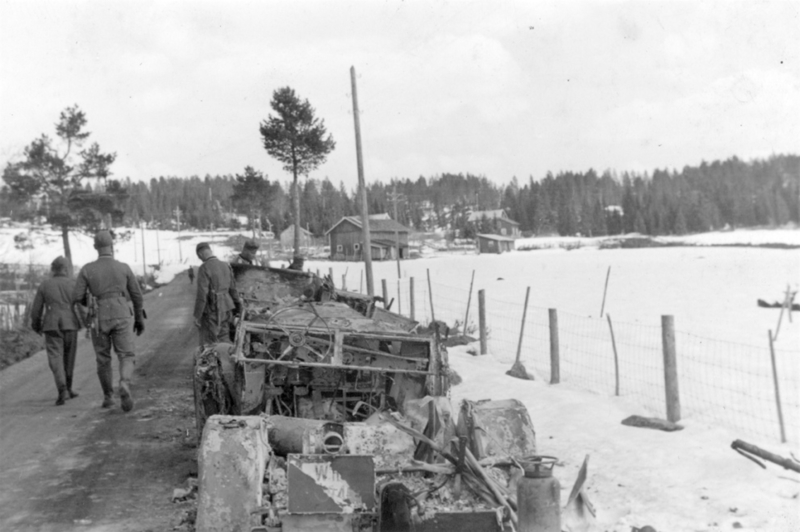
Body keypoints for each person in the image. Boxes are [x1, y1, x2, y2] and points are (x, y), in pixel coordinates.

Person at [72, 230, 145, 412]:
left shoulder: (87, 269)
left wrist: (89, 306)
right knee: (126, 355)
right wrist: (138, 319)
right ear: (112, 247)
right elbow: (137, 295)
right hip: (121, 311)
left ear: (96, 248)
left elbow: (77, 296)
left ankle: (108, 397)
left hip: (99, 314)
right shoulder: (124, 267)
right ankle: (124, 382)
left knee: (103, 359)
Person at [30, 256, 82, 405]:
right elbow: (81, 306)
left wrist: (36, 325)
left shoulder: (45, 285)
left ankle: (62, 389)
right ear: (65, 269)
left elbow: (36, 310)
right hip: (70, 324)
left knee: (55, 358)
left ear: (53, 269)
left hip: (51, 325)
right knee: (69, 358)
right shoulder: (73, 283)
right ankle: (69, 388)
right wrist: (86, 323)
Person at [194, 242, 241, 346]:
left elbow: (202, 295)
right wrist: (238, 306)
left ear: (200, 254)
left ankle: (215, 361)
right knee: (224, 337)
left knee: (212, 341)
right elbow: (233, 289)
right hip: (227, 308)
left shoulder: (204, 268)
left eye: (199, 257)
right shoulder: (225, 265)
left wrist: (197, 315)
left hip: (213, 309)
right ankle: (228, 359)